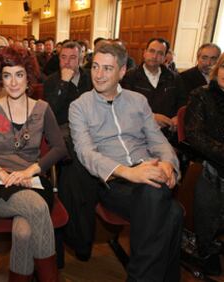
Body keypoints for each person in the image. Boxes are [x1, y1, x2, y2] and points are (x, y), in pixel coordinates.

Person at [69, 42, 183, 281]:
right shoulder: (80, 106)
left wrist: (168, 163)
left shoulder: (138, 100)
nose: (98, 75)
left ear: (121, 72)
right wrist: (128, 173)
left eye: (107, 69)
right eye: (96, 67)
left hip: (148, 170)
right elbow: (86, 153)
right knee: (167, 208)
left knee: (171, 211)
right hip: (114, 181)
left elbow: (157, 139)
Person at [0, 46, 67, 281]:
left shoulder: (43, 109)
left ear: (29, 76)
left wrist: (31, 170)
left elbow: (60, 147)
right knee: (37, 208)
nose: (13, 82)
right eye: (7, 75)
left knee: (22, 233)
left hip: (32, 180)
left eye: (19, 74)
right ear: (0, 78)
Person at [185, 52, 224, 276]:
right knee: (211, 176)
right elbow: (195, 135)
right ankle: (206, 246)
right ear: (218, 68)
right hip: (209, 162)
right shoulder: (201, 94)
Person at [121, 38, 187, 140]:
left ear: (165, 57)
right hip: (137, 134)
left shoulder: (174, 78)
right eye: (151, 51)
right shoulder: (130, 77)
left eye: (160, 53)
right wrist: (151, 117)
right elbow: (124, 106)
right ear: (145, 53)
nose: (154, 56)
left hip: (166, 134)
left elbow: (182, 101)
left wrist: (178, 117)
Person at [44, 41, 92, 136]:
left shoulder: (90, 76)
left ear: (80, 59)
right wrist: (63, 83)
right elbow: (51, 110)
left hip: (90, 124)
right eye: (63, 57)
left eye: (72, 57)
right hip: (64, 126)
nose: (67, 62)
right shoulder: (51, 80)